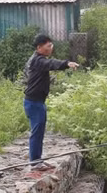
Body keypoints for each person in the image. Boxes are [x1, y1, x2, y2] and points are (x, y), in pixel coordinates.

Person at [22, 33, 79, 170]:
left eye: (51, 45)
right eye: (48, 46)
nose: (51, 48)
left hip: (37, 102)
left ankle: (38, 159)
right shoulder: (38, 61)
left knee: (39, 132)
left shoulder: (38, 59)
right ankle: (35, 162)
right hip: (34, 103)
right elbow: (51, 63)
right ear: (39, 47)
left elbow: (49, 63)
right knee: (36, 132)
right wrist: (66, 63)